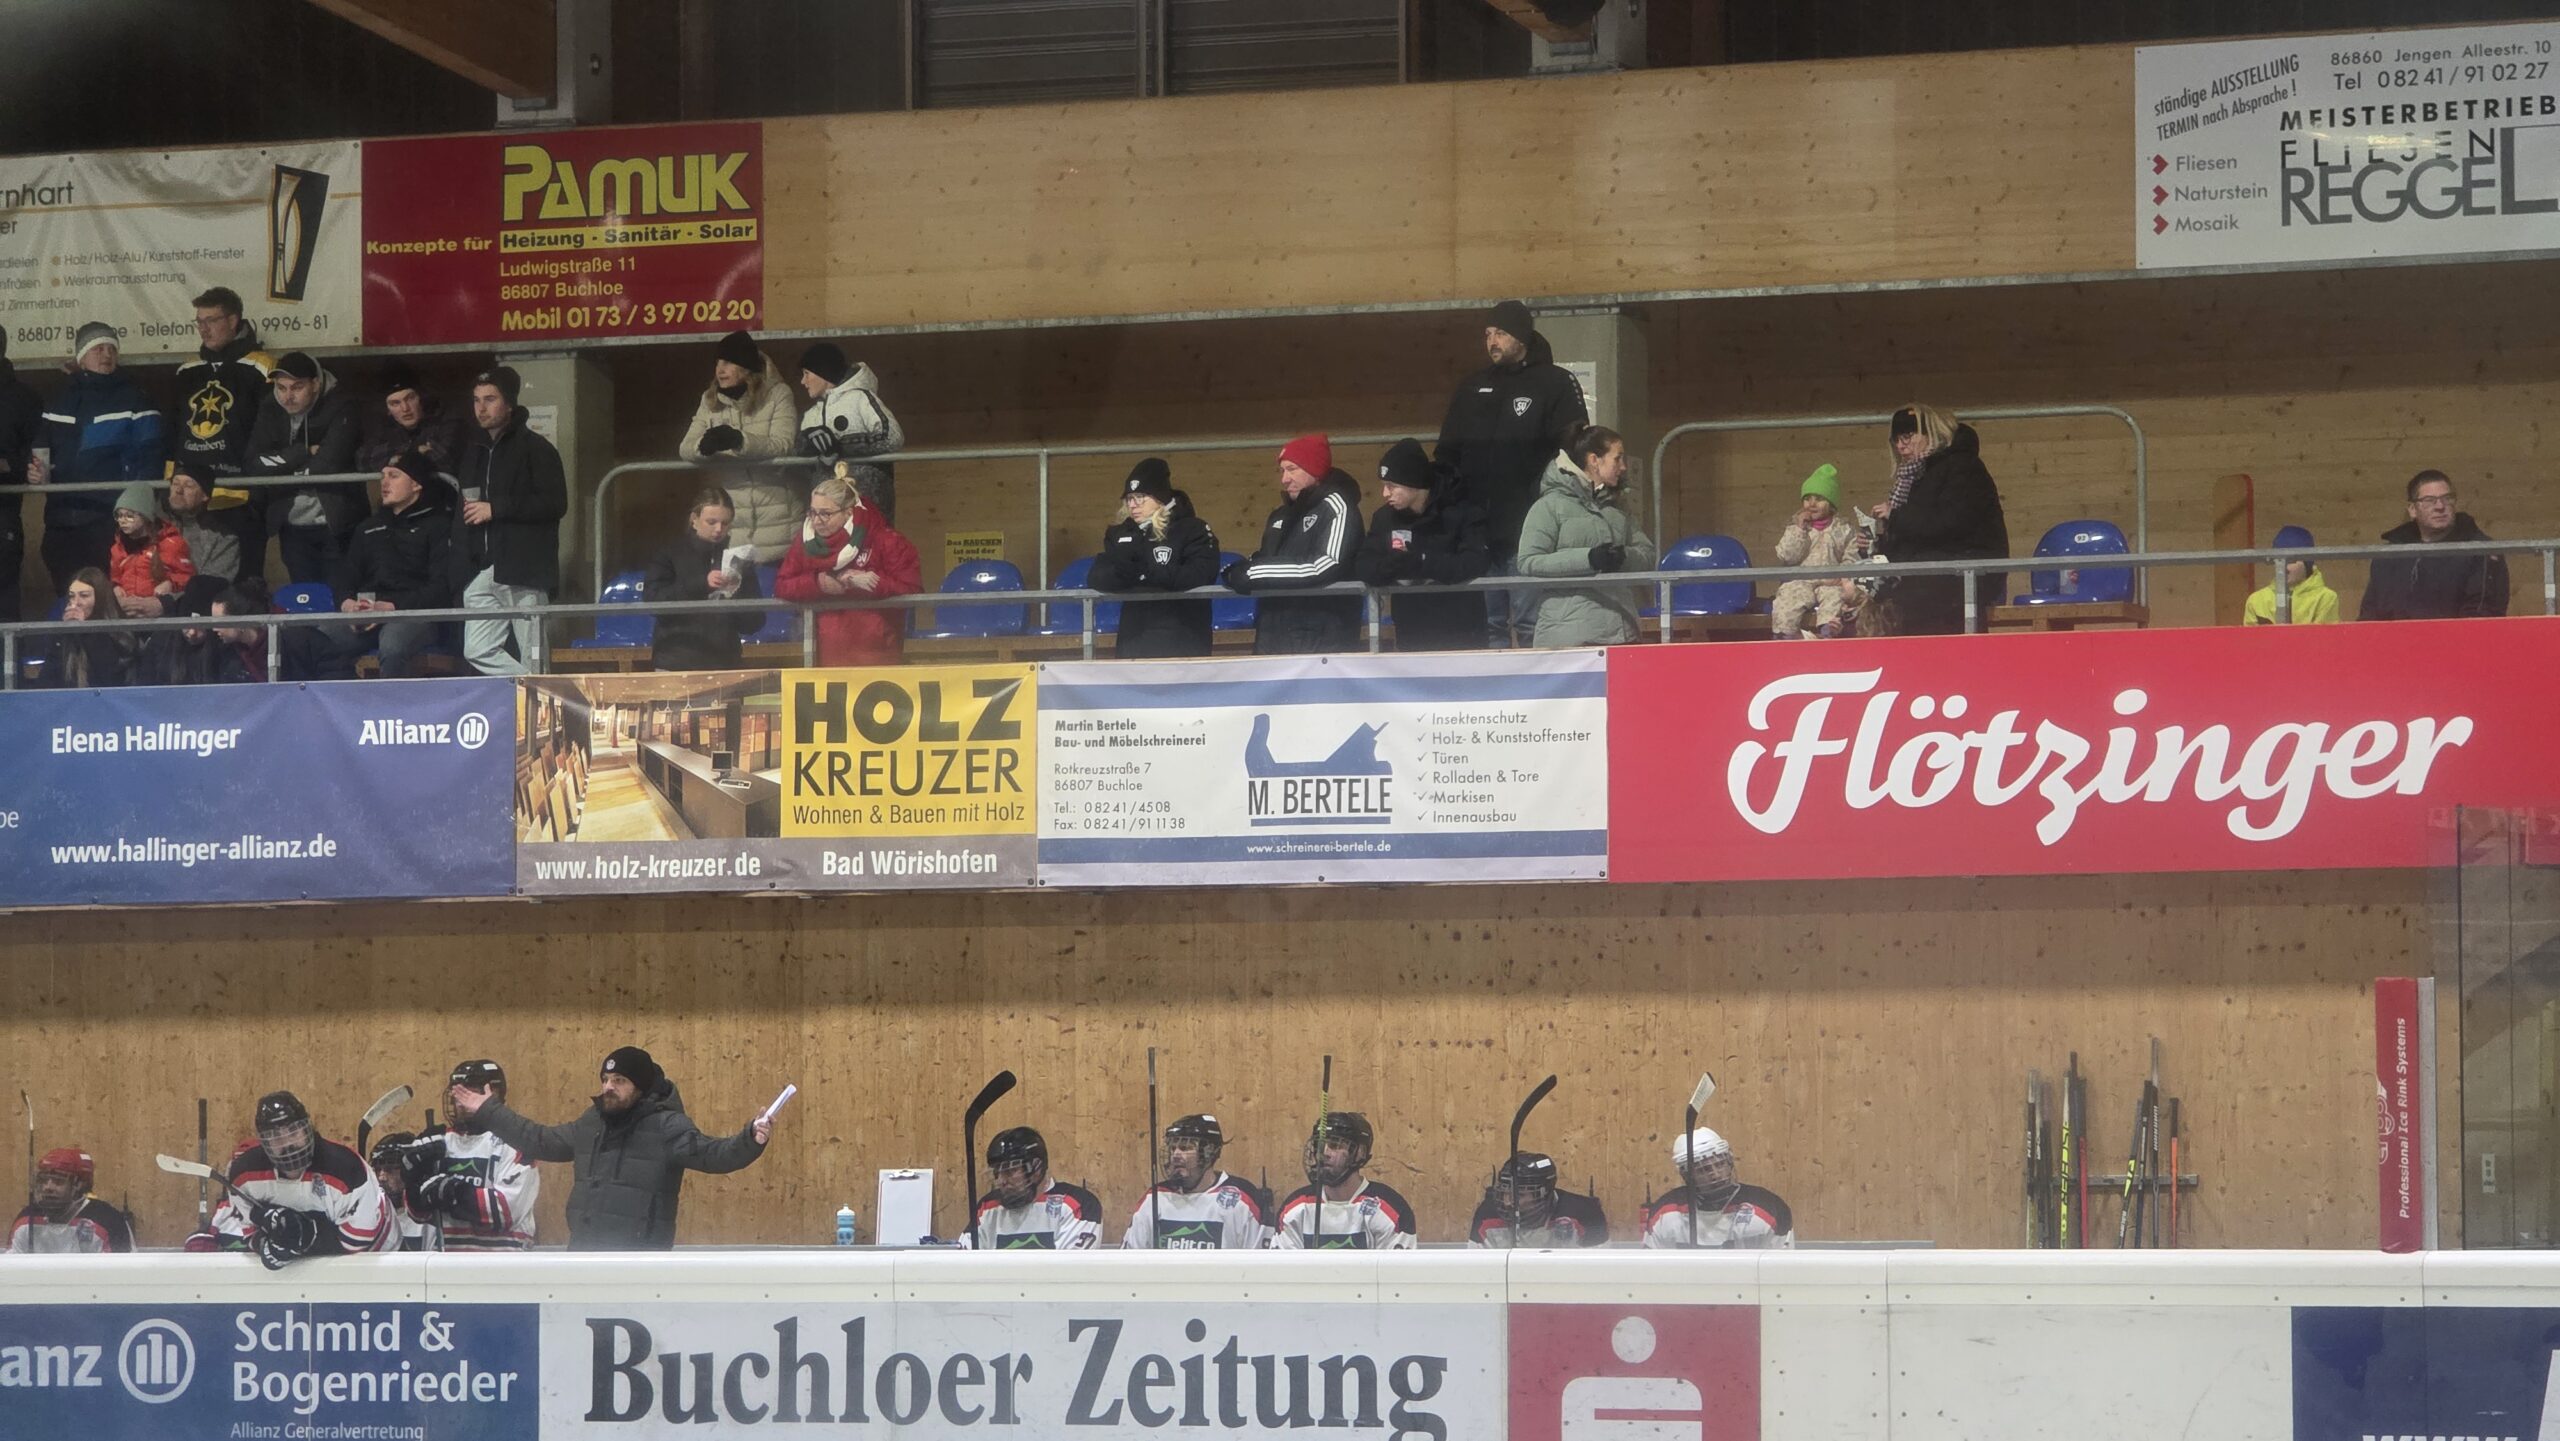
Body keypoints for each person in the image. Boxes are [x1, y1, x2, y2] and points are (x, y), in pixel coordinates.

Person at [451, 1044, 771, 1251]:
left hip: (640, 1264)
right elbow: (541, 1140)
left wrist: (750, 1138)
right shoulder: (592, 1122)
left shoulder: (667, 1126)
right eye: (605, 1079)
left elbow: (714, 1155)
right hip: (584, 1256)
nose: (607, 1087)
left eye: (619, 1080)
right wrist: (489, 1111)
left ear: (640, 1086)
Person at [1434, 299, 1589, 645]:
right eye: (1488, 334)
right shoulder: (1472, 386)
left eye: (1501, 333)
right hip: (1477, 528)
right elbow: (1447, 452)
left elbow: (1574, 451)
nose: (1492, 341)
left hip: (1529, 525)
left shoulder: (1554, 382)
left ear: (1522, 337)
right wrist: (1452, 504)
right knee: (1487, 625)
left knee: (1531, 622)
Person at [453, 366, 568, 677]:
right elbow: (462, 512)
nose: (481, 407)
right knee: (477, 649)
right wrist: (464, 567)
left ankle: (540, 697)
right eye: (476, 400)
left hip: (525, 568)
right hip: (486, 569)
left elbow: (555, 503)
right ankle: (530, 688)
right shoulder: (474, 453)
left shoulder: (537, 448)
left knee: (535, 656)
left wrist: (496, 508)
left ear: (509, 404)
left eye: (490, 399)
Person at [34, 322, 162, 593]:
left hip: (109, 519)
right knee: (70, 596)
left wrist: (138, 510)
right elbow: (40, 451)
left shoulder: (135, 398)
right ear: (81, 357)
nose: (107, 355)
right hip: (60, 520)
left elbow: (150, 457)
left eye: (112, 349)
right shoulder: (58, 400)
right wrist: (35, 472)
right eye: (98, 349)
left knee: (110, 595)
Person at [209, 1092, 395, 1269]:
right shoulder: (243, 1176)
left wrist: (306, 1235)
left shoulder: (347, 1168)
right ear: (264, 1142)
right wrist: (268, 1244)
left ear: (307, 1129)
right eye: (276, 1137)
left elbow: (357, 1241)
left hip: (376, 1255)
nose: (287, 1144)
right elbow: (252, 1234)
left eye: (293, 1132)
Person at [1870, 405, 2008, 636]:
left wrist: (1896, 516)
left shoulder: (1963, 467)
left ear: (1930, 434)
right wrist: (1878, 543)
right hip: (1936, 571)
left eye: (1908, 436)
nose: (1901, 446)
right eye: (1896, 440)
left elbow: (1950, 523)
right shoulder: (1916, 475)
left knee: (1908, 597)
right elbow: (1916, 533)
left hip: (1965, 570)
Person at [1516, 425, 1657, 648]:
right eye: (1617, 458)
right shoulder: (1549, 506)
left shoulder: (1618, 508)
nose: (1623, 467)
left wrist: (1623, 557)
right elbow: (1528, 560)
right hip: (1569, 636)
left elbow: (1647, 554)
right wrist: (1589, 559)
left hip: (1623, 633)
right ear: (1594, 460)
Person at [1221, 434, 1364, 655]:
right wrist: (1247, 567)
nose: (1284, 479)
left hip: (1321, 638)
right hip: (1272, 634)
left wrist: (1252, 573)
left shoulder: (1337, 507)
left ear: (1315, 469)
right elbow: (1269, 558)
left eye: (1292, 469)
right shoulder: (1281, 515)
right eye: (1282, 471)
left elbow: (1325, 564)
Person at [772, 465, 920, 668]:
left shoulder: (886, 540)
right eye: (812, 512)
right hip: (825, 653)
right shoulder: (805, 541)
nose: (816, 521)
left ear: (848, 512)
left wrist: (872, 583)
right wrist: (818, 583)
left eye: (825, 514)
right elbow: (782, 585)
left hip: (877, 652)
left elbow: (912, 591)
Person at [1353, 437, 1490, 652]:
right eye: (1384, 486)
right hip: (1411, 627)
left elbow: (1475, 561)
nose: (1385, 494)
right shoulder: (1385, 517)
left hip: (1462, 627)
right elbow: (1364, 563)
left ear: (1414, 484)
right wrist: (1391, 565)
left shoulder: (1461, 511)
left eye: (1392, 486)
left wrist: (1424, 562)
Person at [679, 331, 803, 564]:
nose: (720, 369)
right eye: (717, 363)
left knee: (776, 581)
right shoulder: (710, 400)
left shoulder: (777, 394)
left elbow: (783, 444)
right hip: (734, 519)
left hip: (778, 515)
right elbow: (685, 448)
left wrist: (739, 441)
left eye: (728, 362)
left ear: (746, 367)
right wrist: (703, 447)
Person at [332, 449, 457, 677]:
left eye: (394, 475)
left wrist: (391, 606)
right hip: (366, 617)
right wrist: (349, 606)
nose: (384, 482)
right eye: (383, 476)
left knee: (392, 645)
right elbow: (345, 578)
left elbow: (441, 588)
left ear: (416, 484)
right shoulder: (368, 527)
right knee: (314, 636)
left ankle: (389, 701)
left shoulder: (439, 525)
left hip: (415, 616)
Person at [243, 351, 364, 583]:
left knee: (339, 595)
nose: (288, 396)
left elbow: (328, 464)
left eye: (297, 387)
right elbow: (253, 465)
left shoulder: (341, 404)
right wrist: (303, 452)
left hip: (337, 523)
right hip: (290, 524)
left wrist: (280, 470)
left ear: (315, 384)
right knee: (303, 595)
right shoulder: (271, 408)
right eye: (281, 388)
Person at [397, 1059, 539, 1252]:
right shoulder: (438, 1142)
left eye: (470, 1093)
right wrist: (413, 1183)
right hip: (450, 1261)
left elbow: (505, 1212)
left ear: (495, 1095)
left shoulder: (517, 1142)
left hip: (503, 1261)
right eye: (457, 1094)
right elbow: (418, 1216)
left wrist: (453, 1192)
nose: (461, 1103)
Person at [1087, 458, 1221, 658]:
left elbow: (1201, 573)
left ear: (1160, 497)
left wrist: (1146, 573)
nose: (1133, 505)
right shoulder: (1121, 532)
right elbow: (1097, 576)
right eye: (1129, 498)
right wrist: (1129, 572)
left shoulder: (1191, 529)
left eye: (1141, 497)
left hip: (1183, 637)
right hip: (1133, 638)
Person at [641, 485, 764, 672]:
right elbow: (654, 601)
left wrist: (736, 596)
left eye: (725, 523)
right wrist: (701, 584)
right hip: (676, 661)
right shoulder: (669, 553)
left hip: (725, 662)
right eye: (711, 522)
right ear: (694, 520)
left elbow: (754, 622)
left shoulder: (739, 560)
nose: (718, 529)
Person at [172, 287, 277, 504]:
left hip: (241, 493)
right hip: (192, 496)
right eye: (199, 322)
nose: (203, 329)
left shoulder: (263, 367)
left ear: (232, 321)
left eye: (211, 320)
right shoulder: (187, 370)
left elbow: (271, 432)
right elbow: (174, 431)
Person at [2360, 470, 2509, 621]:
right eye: (2429, 500)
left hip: (2453, 636)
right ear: (2412, 510)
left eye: (2447, 498)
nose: (2440, 506)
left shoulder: (2480, 551)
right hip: (2395, 636)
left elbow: (2481, 617)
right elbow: (2368, 616)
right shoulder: (2389, 556)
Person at [1123, 1114, 1270, 1250]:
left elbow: (1262, 1263)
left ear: (1209, 1151)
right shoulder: (1154, 1199)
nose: (1175, 1155)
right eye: (1173, 1148)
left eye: (1185, 1148)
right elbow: (1130, 1259)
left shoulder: (1243, 1200)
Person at [1273, 1112, 1417, 1250]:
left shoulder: (1389, 1210)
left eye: (1335, 1145)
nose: (1324, 1153)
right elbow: (1283, 1267)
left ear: (1360, 1153)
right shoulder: (1295, 1210)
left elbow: (1396, 1267)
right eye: (1319, 1145)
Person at [795, 342, 905, 521]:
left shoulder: (861, 398)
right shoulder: (811, 415)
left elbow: (892, 437)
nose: (803, 381)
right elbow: (799, 461)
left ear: (824, 373)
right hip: (827, 514)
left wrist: (841, 445)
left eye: (807, 373)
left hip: (869, 505)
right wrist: (806, 444)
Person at [1641, 1127, 1794, 1249]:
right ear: (1686, 1175)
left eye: (1720, 1164)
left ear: (1729, 1161)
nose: (1715, 1174)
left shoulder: (1769, 1208)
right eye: (1704, 1170)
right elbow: (1651, 1270)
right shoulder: (1665, 1214)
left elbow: (1782, 1270)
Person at [1771, 463, 1869, 638]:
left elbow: (1851, 557)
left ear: (1831, 504)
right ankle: (1784, 636)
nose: (1812, 504)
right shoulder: (1795, 527)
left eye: (1819, 499)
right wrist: (1799, 530)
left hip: (1830, 582)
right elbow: (1787, 556)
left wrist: (1841, 577)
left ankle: (1827, 632)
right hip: (1801, 580)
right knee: (1788, 599)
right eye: (1807, 498)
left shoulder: (1844, 529)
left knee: (1836, 597)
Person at [969, 1126, 1104, 1250]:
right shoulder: (986, 1208)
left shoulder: (1078, 1205)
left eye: (1010, 1171)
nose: (1001, 1181)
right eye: (997, 1172)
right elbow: (964, 1262)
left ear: (1036, 1169)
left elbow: (1071, 1267)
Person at [7, 1147, 136, 1254]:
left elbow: (123, 1273)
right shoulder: (26, 1221)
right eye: (43, 1180)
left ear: (80, 1185)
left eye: (58, 1181)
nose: (47, 1187)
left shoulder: (108, 1222)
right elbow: (11, 1271)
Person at [355, 361, 472, 476]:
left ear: (420, 398)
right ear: (388, 410)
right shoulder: (385, 428)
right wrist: (415, 449)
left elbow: (447, 461)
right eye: (395, 403)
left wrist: (397, 458)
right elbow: (362, 459)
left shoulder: (445, 420)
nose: (405, 408)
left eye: (410, 398)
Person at [1470, 1152, 1608, 1249]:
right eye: (1505, 1194)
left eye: (1520, 1195)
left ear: (1544, 1193)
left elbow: (1601, 1271)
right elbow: (1476, 1271)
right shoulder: (1487, 1215)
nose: (1508, 1203)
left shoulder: (1585, 1214)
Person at [166, 460, 261, 597]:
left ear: (205, 495)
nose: (179, 490)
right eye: (175, 483)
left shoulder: (223, 538)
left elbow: (208, 588)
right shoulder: (155, 528)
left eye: (189, 486)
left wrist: (166, 601)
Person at [0, 329, 44, 622]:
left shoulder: (23, 398)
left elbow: (36, 456)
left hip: (4, 512)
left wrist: (6, 465)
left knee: (4, 599)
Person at [101, 482, 194, 618]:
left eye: (129, 516)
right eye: (119, 516)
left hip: (158, 613)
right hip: (128, 612)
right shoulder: (118, 547)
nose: (122, 521)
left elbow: (186, 577)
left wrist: (170, 584)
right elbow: (115, 576)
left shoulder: (171, 543)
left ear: (145, 516)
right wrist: (116, 587)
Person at [32, 568, 130, 689]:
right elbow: (46, 682)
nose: (75, 603)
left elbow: (110, 679)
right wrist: (62, 636)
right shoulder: (61, 637)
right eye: (71, 596)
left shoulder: (118, 636)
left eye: (84, 596)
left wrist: (86, 632)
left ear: (100, 599)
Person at [2244, 525, 2341, 625]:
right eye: (2278, 561)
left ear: (2307, 564)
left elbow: (2322, 635)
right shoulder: (2256, 601)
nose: (2284, 567)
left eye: (2291, 560)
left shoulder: (2325, 598)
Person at [369, 1132, 437, 1250]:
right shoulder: (372, 1217)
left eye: (390, 1170)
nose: (381, 1177)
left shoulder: (428, 1218)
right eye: (378, 1169)